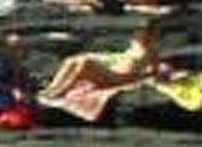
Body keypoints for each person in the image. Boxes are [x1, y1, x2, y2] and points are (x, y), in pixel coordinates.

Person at [42, 17, 176, 99]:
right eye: (141, 31)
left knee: (85, 63)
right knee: (72, 60)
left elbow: (154, 71)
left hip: (119, 78)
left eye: (146, 32)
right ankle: (53, 87)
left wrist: (148, 77)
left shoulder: (151, 50)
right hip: (112, 71)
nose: (141, 34)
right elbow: (121, 58)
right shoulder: (135, 44)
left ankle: (62, 91)